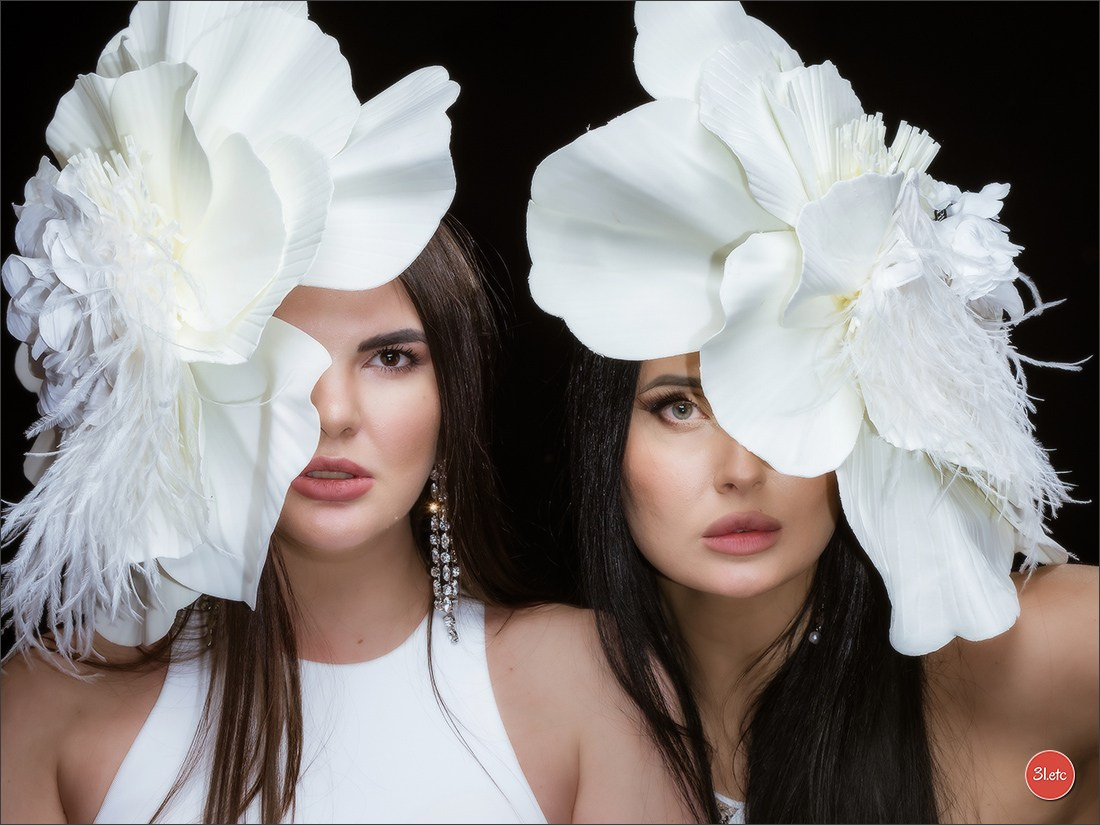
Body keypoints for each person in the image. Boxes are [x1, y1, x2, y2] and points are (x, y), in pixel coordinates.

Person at [0, 3, 693, 823]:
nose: (332, 412)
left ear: (451, 398)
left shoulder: (590, 685)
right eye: (279, 354)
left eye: (391, 357)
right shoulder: (48, 708)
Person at [526, 2, 1098, 823]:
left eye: (793, 389)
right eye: (680, 406)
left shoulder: (1031, 662)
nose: (741, 468)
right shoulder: (528, 696)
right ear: (606, 440)